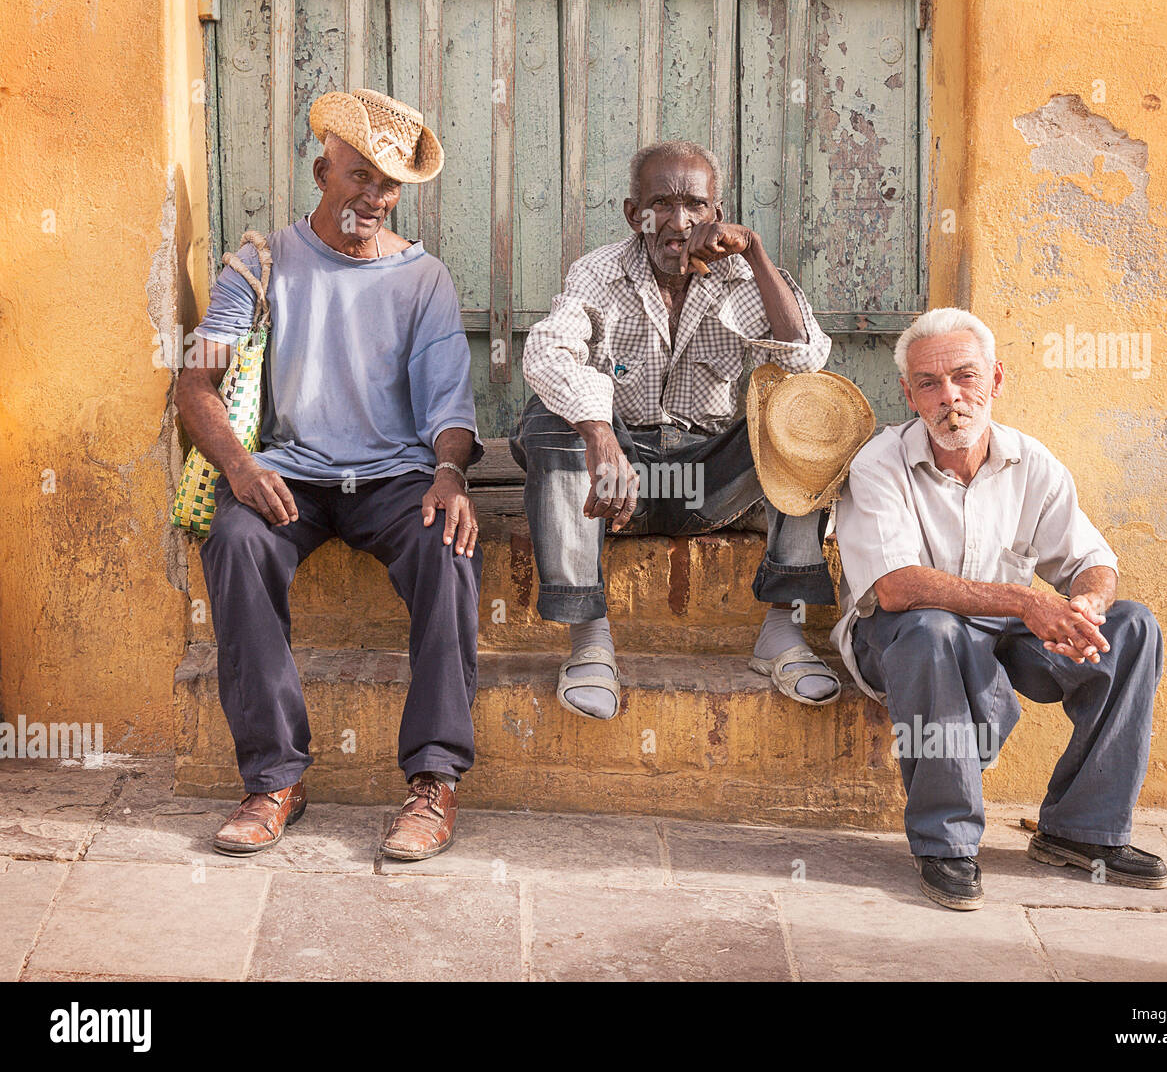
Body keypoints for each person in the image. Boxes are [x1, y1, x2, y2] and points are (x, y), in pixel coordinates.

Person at [177, 89, 481, 861]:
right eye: (359, 177)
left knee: (448, 550)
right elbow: (194, 384)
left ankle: (434, 783)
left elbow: (450, 407)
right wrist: (239, 467)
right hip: (291, 477)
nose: (373, 198)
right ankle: (274, 779)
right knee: (234, 539)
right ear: (322, 170)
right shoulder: (259, 264)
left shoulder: (423, 280)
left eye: (389, 186)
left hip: (392, 480)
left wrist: (449, 473)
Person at [830, 307, 1167, 910]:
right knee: (935, 631)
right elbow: (894, 588)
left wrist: (1087, 604)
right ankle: (945, 842)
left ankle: (1082, 830)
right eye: (929, 384)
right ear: (909, 394)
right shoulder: (878, 463)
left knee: (1132, 627)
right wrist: (1028, 601)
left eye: (965, 377)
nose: (950, 398)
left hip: (1004, 631)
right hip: (900, 636)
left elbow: (1091, 556)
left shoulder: (1030, 461)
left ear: (996, 379)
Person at [511, 139, 844, 720]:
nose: (678, 220)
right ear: (631, 212)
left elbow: (804, 360)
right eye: (660, 202)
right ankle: (590, 643)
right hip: (617, 489)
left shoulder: (746, 278)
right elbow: (546, 352)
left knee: (805, 407)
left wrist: (757, 255)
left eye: (695, 204)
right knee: (550, 418)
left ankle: (780, 632)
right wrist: (600, 434)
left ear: (717, 214)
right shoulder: (599, 272)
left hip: (706, 485)